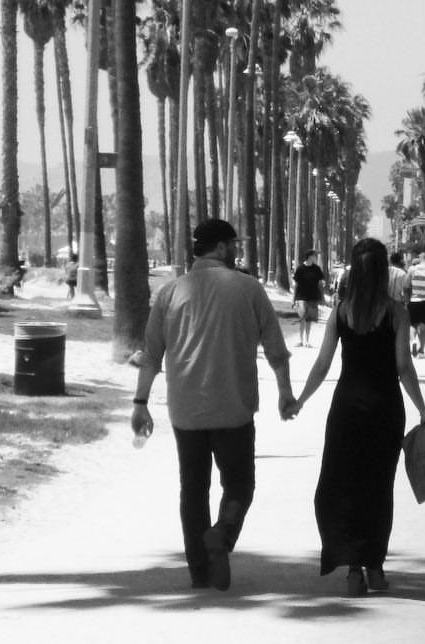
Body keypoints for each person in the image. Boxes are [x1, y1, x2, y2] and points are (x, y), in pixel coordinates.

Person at [131, 218, 296, 592]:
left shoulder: (170, 292)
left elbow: (152, 355)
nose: (236, 250)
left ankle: (199, 572)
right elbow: (276, 349)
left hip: (185, 409)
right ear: (222, 248)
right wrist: (285, 393)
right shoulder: (248, 288)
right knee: (239, 483)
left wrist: (140, 402)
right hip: (233, 407)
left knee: (193, 488)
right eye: (233, 244)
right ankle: (221, 534)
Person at [287, 237, 425, 597]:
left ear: (353, 270)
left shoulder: (342, 311)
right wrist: (423, 411)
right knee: (378, 486)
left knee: (345, 485)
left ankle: (353, 568)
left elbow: (323, 364)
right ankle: (376, 567)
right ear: (384, 270)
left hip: (347, 408)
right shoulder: (396, 313)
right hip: (385, 407)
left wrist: (300, 400)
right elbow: (403, 367)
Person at [403, 252, 425, 357]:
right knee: (424, 328)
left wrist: (406, 300)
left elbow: (406, 286)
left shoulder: (412, 269)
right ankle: (422, 351)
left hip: (414, 300)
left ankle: (413, 340)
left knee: (412, 325)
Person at [293, 249, 325, 347]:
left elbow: (320, 284)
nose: (316, 257)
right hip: (301, 296)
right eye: (314, 256)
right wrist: (293, 298)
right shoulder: (300, 269)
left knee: (309, 319)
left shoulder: (317, 269)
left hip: (313, 297)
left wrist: (322, 297)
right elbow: (296, 284)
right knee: (302, 318)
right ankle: (300, 340)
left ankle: (307, 340)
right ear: (310, 257)